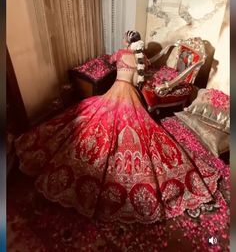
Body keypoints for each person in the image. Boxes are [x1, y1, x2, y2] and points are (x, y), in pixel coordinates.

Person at [15, 30, 220, 224]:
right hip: (131, 93)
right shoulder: (143, 59)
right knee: (139, 125)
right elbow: (144, 70)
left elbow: (111, 61)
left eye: (125, 38)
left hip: (115, 89)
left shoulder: (120, 53)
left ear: (126, 41)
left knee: (95, 113)